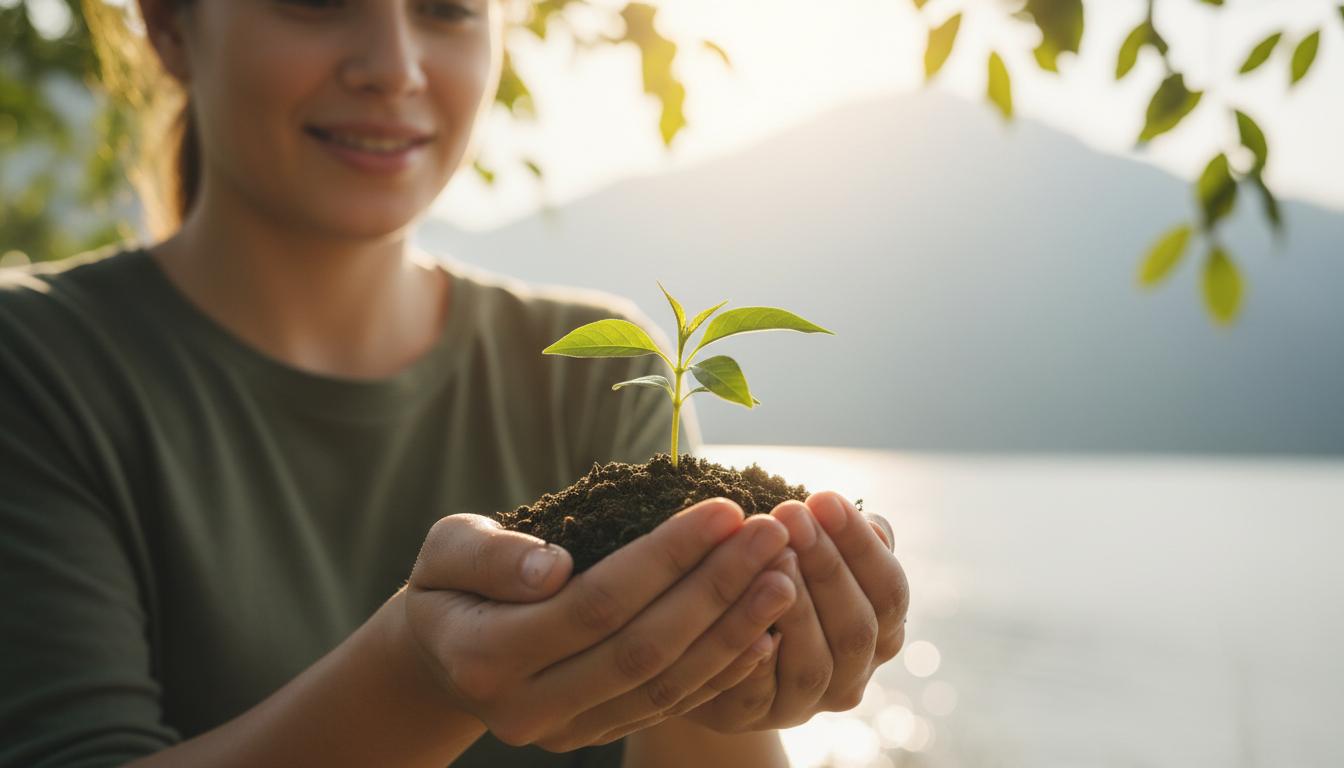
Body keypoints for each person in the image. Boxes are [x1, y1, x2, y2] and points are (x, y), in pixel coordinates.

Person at [0, 0, 911, 765]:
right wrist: (415, 676)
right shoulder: (35, 365)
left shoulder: (593, 370)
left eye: (447, 8)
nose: (394, 66)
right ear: (167, 25)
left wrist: (738, 670)